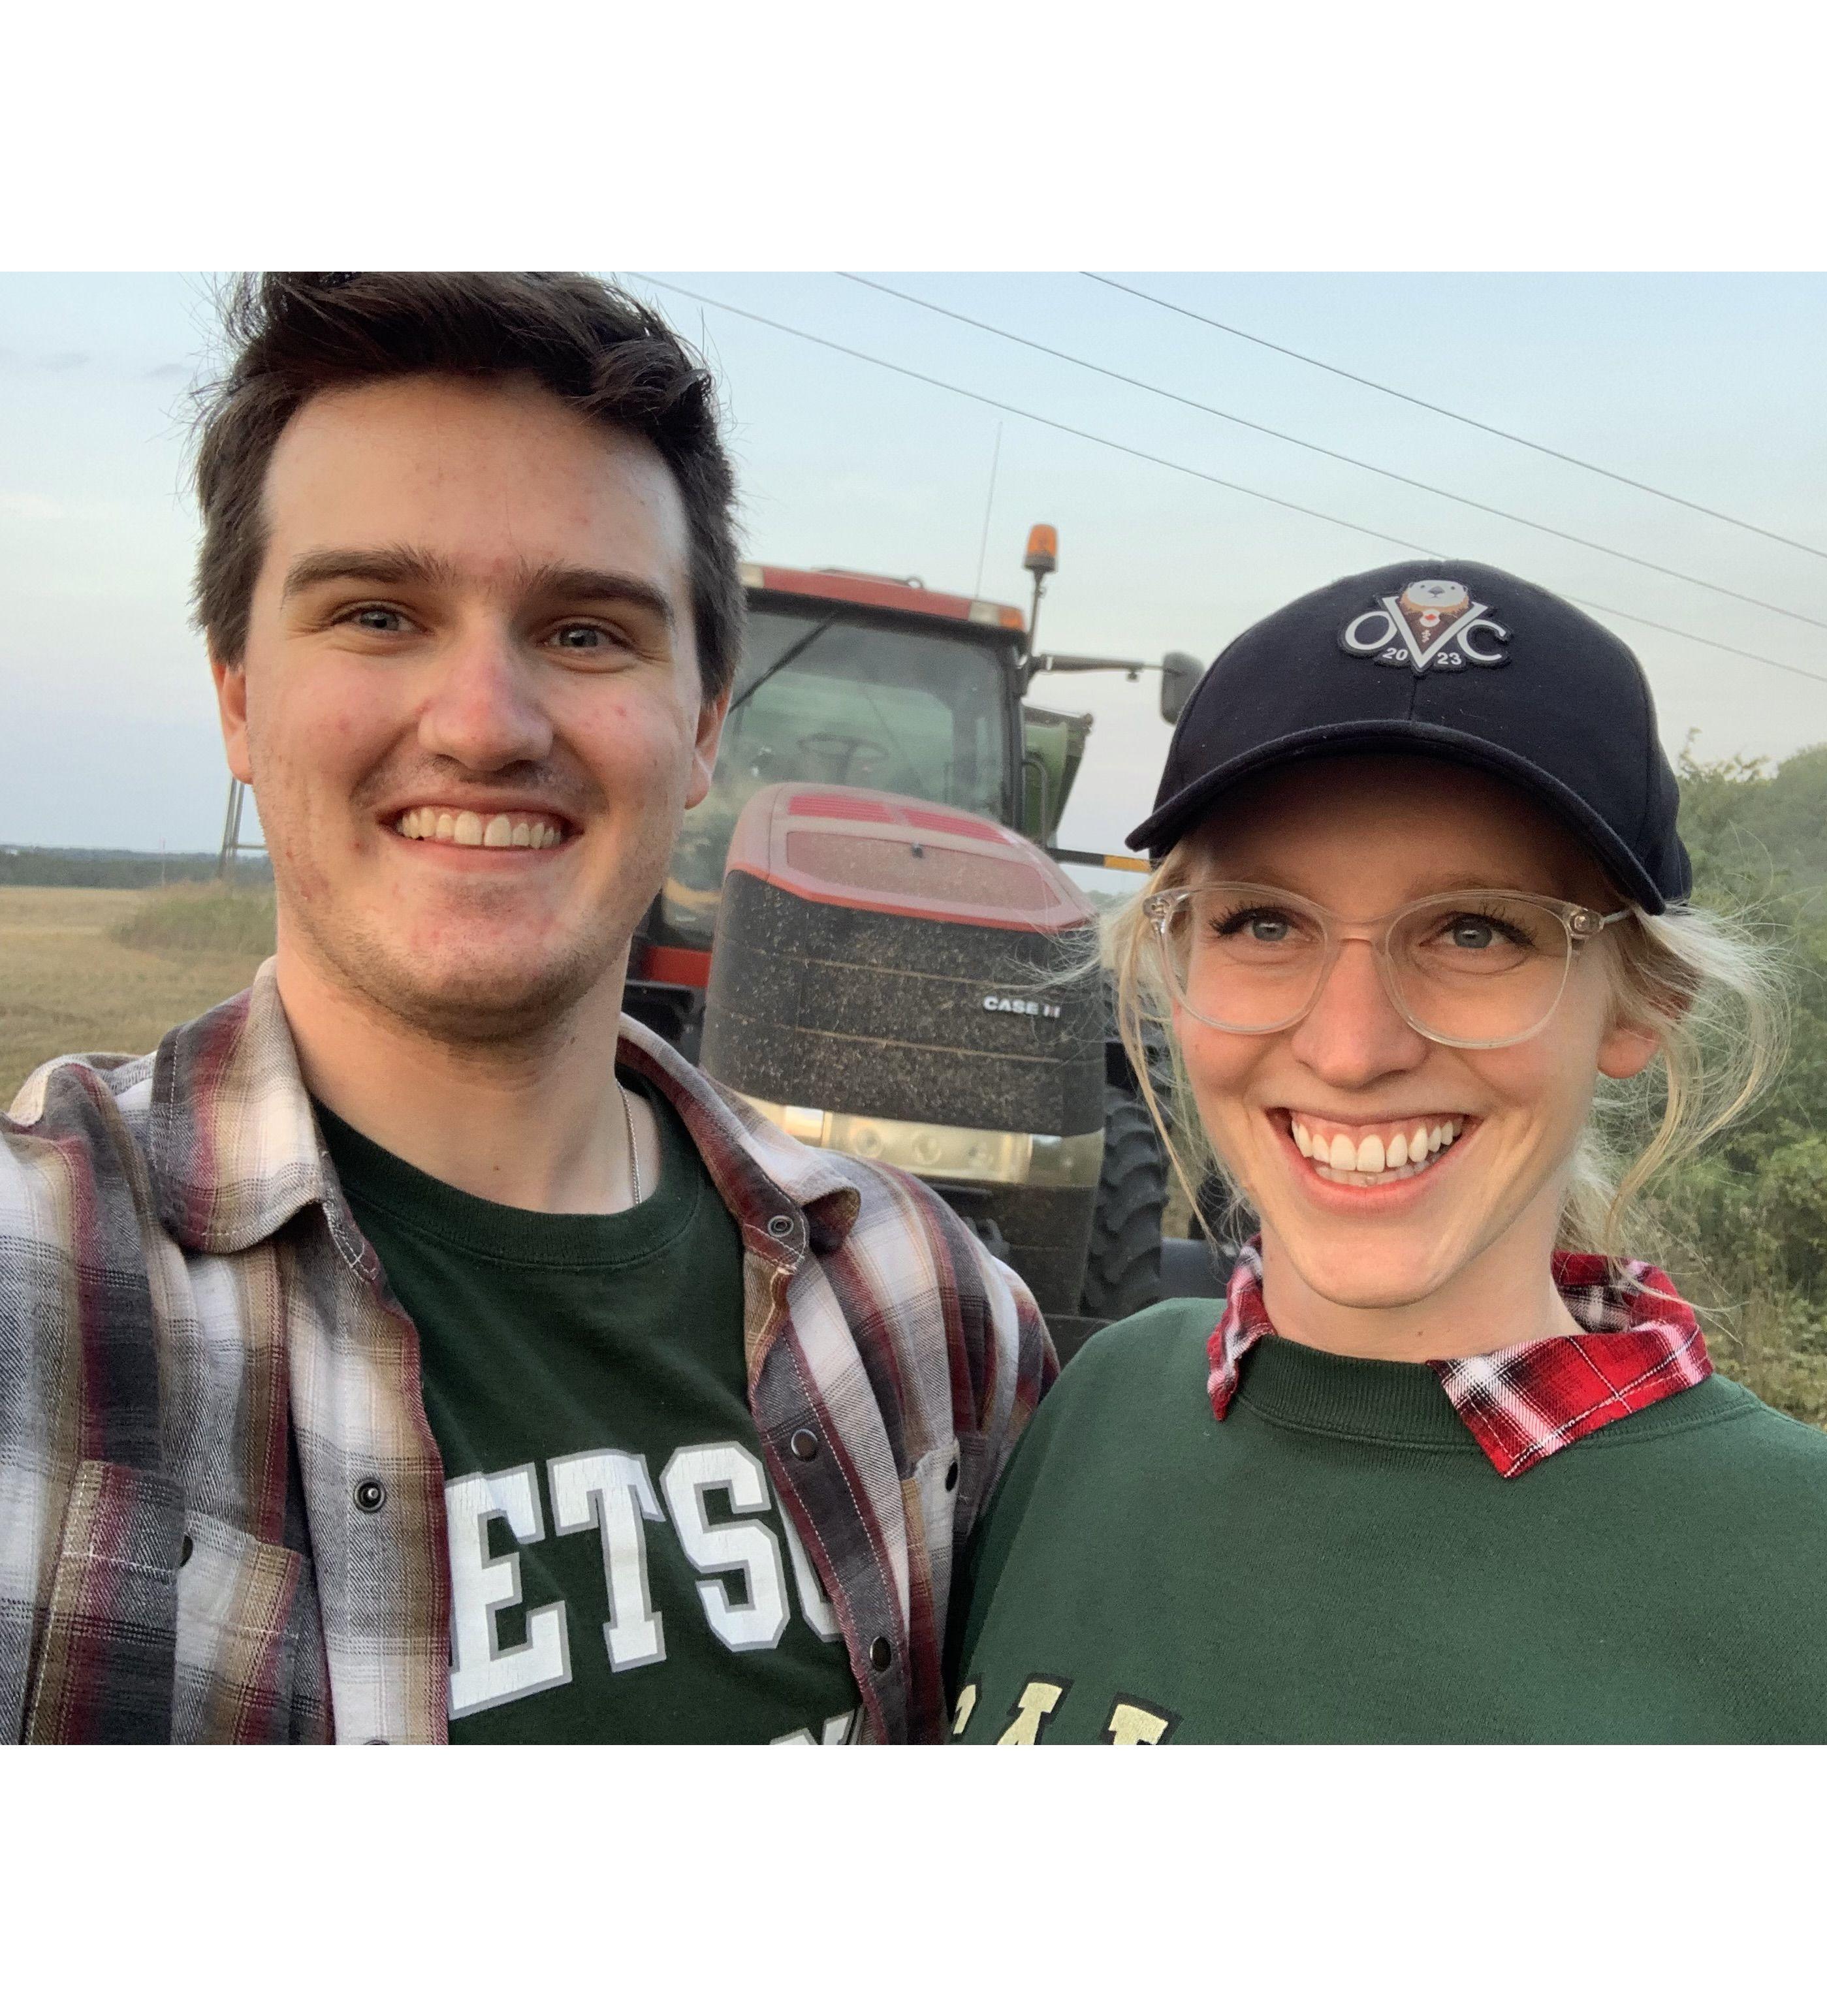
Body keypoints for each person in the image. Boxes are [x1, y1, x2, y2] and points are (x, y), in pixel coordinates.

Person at [0, 272, 1050, 1745]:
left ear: (703, 722)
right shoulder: (50, 1289)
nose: (486, 724)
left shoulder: (935, 1318)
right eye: (378, 614)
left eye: (586, 632)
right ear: (239, 698)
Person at [947, 559, 1827, 1744]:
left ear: (1639, 1006)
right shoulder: (1096, 1418)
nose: (1352, 1048)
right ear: (1177, 962)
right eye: (1265, 922)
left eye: (1475, 932)